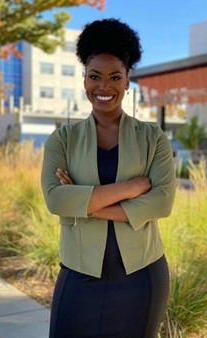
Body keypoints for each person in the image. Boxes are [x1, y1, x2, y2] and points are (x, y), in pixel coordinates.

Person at [41, 18, 176, 338]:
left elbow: (161, 202)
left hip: (142, 276)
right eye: (95, 76)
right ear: (84, 79)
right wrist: (132, 187)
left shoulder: (153, 138)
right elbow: (56, 199)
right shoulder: (62, 140)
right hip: (79, 275)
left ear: (128, 80)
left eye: (115, 76)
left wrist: (85, 202)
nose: (104, 86)